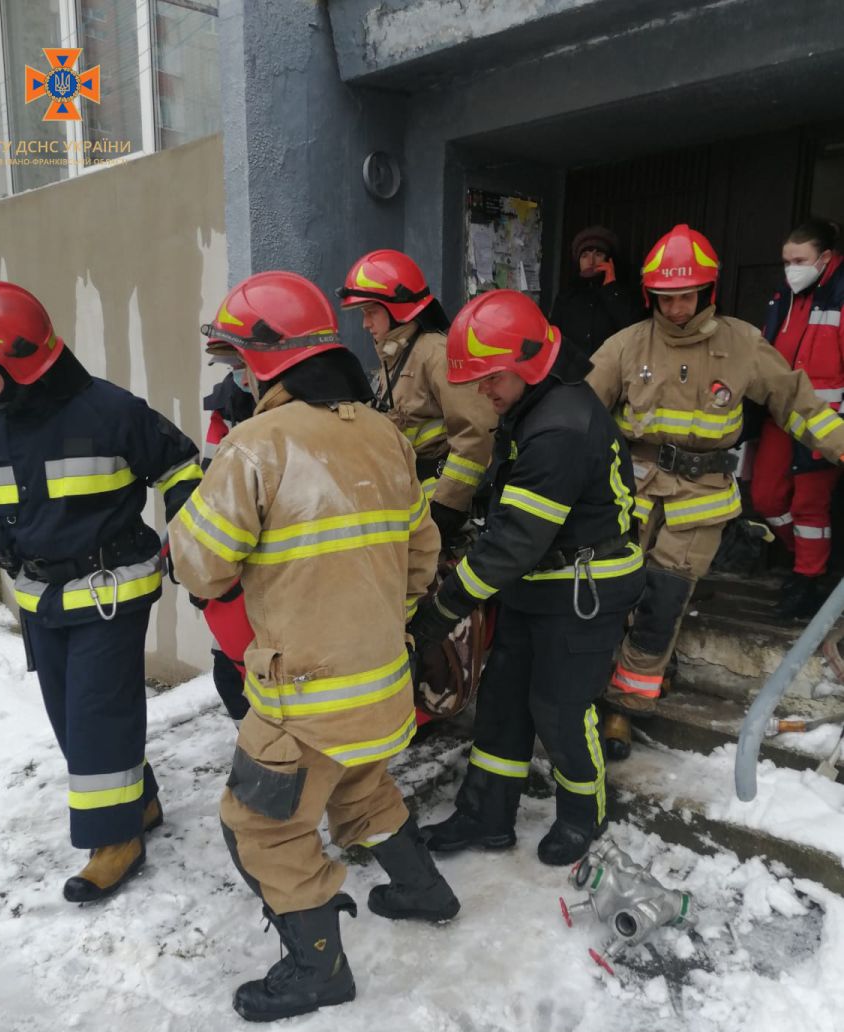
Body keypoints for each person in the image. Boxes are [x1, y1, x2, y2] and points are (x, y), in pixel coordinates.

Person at [169, 271, 459, 1023]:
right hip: (381, 683)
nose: (234, 375)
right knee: (362, 787)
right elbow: (421, 554)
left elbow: (201, 564)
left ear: (265, 361)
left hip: (302, 698)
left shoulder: (255, 446)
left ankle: (316, 969)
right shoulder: (386, 434)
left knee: (261, 826)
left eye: (237, 360)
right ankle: (424, 891)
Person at [0, 280, 202, 901]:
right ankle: (137, 803)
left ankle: (114, 840)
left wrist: (196, 556)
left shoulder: (111, 411)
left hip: (111, 593)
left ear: (20, 359)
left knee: (94, 715)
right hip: (41, 601)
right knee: (72, 719)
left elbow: (182, 467)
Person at [586, 224, 844, 759]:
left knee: (662, 599)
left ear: (707, 292)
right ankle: (602, 684)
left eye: (686, 295)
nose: (676, 308)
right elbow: (580, 410)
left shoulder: (742, 344)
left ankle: (624, 708)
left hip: (699, 501)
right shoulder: (627, 344)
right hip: (629, 494)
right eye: (665, 297)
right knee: (615, 596)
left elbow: (797, 402)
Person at [411, 290, 644, 866]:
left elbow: (516, 540)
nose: (482, 390)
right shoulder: (534, 408)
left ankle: (580, 816)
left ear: (527, 364)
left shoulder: (558, 428)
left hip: (582, 592)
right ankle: (485, 816)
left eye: (490, 377)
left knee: (561, 709)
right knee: (503, 702)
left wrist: (445, 607)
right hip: (539, 586)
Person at [338, 249, 493, 551]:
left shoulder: (435, 353)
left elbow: (477, 431)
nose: (365, 324)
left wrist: (447, 506)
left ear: (397, 308)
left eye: (371, 312)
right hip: (408, 501)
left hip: (437, 508)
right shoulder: (394, 356)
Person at [750, 218, 844, 619]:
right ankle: (802, 559)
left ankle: (807, 577)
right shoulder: (784, 296)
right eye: (786, 261)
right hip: (780, 415)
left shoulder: (840, 296)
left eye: (799, 260)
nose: (791, 268)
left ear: (825, 258)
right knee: (765, 497)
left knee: (810, 504)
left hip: (824, 423)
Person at [198, 365, 257, 721]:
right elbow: (208, 488)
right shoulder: (227, 407)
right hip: (242, 565)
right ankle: (262, 761)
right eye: (232, 366)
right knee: (229, 675)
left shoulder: (313, 408)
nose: (240, 375)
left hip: (297, 575)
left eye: (243, 364)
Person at [550, 225, 644, 357]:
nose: (591, 261)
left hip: (611, 374)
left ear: (609, 260)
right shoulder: (566, 297)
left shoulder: (624, 294)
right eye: (585, 256)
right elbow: (554, 342)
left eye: (598, 254)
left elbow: (633, 331)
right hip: (574, 375)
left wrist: (611, 289)